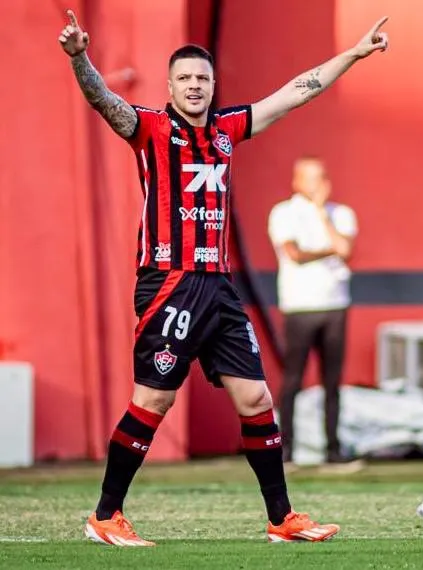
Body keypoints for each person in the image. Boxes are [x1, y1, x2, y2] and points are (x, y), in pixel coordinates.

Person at [58, 8, 388, 546]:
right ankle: (105, 515)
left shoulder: (229, 129)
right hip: (169, 281)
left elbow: (294, 93)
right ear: (169, 86)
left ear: (213, 87)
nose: (195, 86)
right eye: (185, 79)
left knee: (257, 400)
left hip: (219, 286)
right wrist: (80, 60)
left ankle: (282, 519)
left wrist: (353, 53)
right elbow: (104, 102)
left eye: (203, 79)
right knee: (154, 401)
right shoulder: (151, 129)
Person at [268, 157, 360, 471]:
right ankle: (285, 449)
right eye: (311, 178)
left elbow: (345, 249)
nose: (318, 184)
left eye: (322, 177)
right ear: (297, 181)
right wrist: (329, 251)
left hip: (334, 305)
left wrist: (321, 213)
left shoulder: (340, 213)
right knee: (293, 378)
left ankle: (333, 449)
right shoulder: (283, 213)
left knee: (332, 381)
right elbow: (294, 254)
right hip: (299, 306)